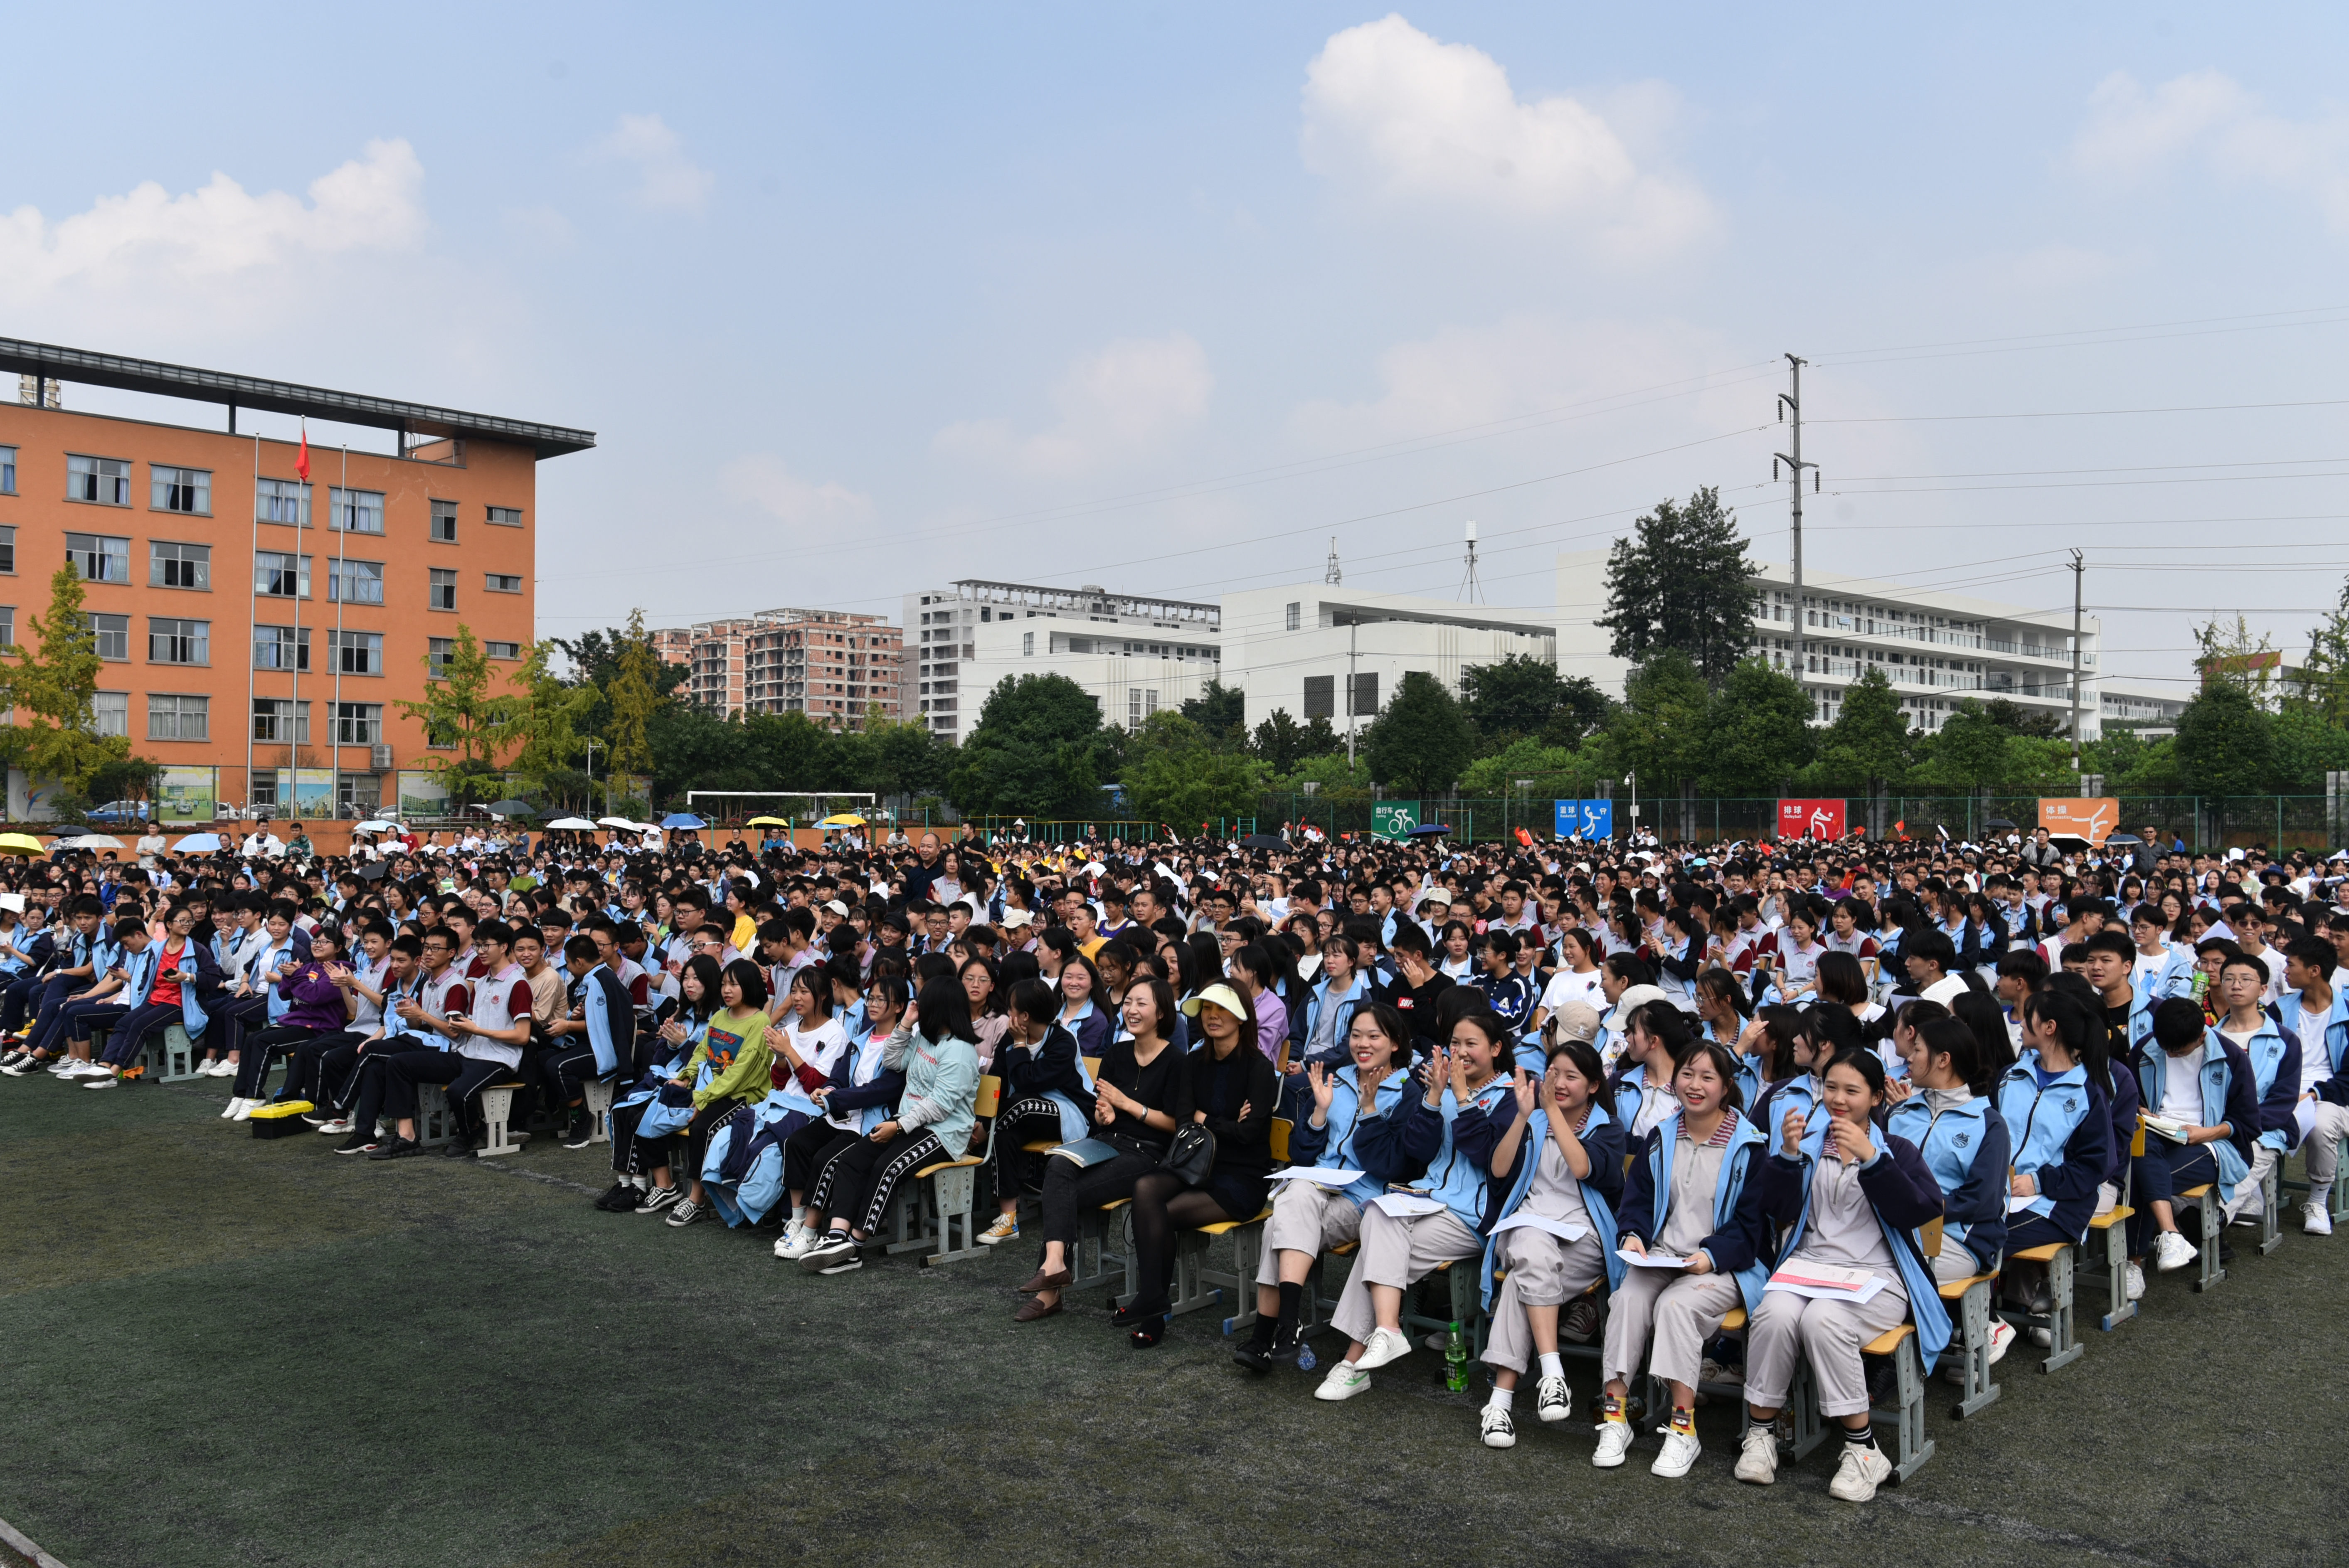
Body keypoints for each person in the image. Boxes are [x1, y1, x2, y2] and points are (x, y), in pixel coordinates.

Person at [1737, 1049, 1950, 1504]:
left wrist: (1873, 1159)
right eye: (1830, 1086)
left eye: (1851, 1090)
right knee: (1772, 1312)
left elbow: (1921, 1211)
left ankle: (1862, 1448)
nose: (1837, 1098)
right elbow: (1774, 1212)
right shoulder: (1809, 1142)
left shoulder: (1897, 1150)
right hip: (1808, 1269)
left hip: (1877, 1277)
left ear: (1875, 1096)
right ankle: (1760, 1433)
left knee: (1823, 1320)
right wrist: (1788, 1157)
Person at [1313, 1010, 1514, 1396]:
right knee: (1377, 1212)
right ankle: (1387, 1330)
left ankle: (1354, 1361)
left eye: (1471, 1044)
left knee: (1377, 1251)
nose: (1461, 1051)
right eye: (1455, 1043)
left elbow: (1488, 1159)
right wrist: (1434, 1098)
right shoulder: (1439, 1088)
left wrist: (1459, 1096)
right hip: (1426, 1199)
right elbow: (1417, 1150)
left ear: (1496, 1048)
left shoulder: (1509, 1098)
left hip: (1471, 1216)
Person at [1595, 1041, 1766, 1474]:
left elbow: (1751, 1228)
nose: (1695, 1085)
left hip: (1723, 1265)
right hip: (1662, 1256)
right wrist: (1632, 1235)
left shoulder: (1748, 1146)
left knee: (1676, 1306)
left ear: (1726, 1087)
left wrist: (1710, 1255)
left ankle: (1682, 1429)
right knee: (1628, 1299)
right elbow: (1636, 1201)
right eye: (1687, 1074)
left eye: (1708, 1077)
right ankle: (1614, 1416)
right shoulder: (1662, 1135)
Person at [1232, 1003, 1413, 1369]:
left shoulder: (1407, 1091)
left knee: (1277, 1224)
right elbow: (1300, 1152)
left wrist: (1371, 1109)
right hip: (1315, 1189)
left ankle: (1269, 1332)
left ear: (1394, 1043)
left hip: (1362, 1198)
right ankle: (1284, 1329)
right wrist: (1318, 1113)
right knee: (1295, 1195)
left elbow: (1391, 1164)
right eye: (1356, 1035)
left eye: (1373, 1036)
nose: (1362, 1044)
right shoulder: (1334, 1079)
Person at [1474, 1035, 1624, 1448]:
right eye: (1553, 1072)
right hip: (1529, 1225)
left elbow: (1582, 1167)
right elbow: (1500, 1170)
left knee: (1519, 1287)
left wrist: (1552, 1113)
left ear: (1593, 1085)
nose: (1558, 1082)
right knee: (1529, 1241)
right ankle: (1552, 1371)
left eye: (1571, 1076)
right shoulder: (1534, 1119)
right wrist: (1524, 1116)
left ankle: (1499, 1404)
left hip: (1583, 1237)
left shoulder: (1607, 1128)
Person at [1015, 975, 1190, 1322]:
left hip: (1148, 1153)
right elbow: (1105, 1110)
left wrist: (1126, 1104)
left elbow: (1176, 1124)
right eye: (1128, 1002)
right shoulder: (1117, 1053)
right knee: (1059, 1165)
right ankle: (1054, 1265)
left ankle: (1050, 1291)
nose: (1131, 1009)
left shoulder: (1176, 1060)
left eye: (1141, 1003)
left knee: (1063, 1191)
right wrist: (1105, 1112)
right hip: (1107, 1142)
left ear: (1161, 1012)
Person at [1124, 983, 1279, 1347]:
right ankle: (1154, 1297)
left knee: (1162, 1213)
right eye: (1207, 1008)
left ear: (1241, 1016)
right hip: (1194, 1163)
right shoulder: (1193, 1061)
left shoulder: (1259, 1068)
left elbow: (1251, 1134)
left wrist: (1206, 1117)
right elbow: (1183, 1121)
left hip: (1241, 1176)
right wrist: (1224, 1122)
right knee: (1145, 1188)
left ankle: (1152, 1310)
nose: (1212, 1015)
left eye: (1221, 1009)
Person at [796, 976, 984, 1275]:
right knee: (852, 1159)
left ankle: (855, 1245)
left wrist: (898, 1128)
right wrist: (907, 1024)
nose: (917, 1006)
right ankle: (837, 1236)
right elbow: (893, 1060)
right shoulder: (926, 1037)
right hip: (909, 1122)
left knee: (887, 1166)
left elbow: (939, 1105)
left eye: (922, 1003)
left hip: (944, 1133)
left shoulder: (960, 1050)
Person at [1886, 1016, 2016, 1369]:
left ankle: (1888, 1368)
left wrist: (1917, 1206)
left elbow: (1982, 1200)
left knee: (1888, 1276)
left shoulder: (1988, 1123)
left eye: (1917, 1050)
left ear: (1943, 1059)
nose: (1908, 1057)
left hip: (1960, 1239)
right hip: (1898, 1230)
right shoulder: (1899, 1113)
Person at [1996, 989, 2115, 1302]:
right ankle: (1989, 1316)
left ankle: (1986, 1322)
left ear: (2049, 1027)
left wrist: (2036, 1181)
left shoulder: (2088, 1091)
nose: (2019, 1019)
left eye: (2028, 1015)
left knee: (1982, 1237)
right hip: (2004, 1194)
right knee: (1954, 1230)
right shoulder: (2011, 1075)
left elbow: (2094, 1166)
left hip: (2059, 1205)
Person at [2130, 995, 2259, 1274]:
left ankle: (2133, 1265)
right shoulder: (2146, 1048)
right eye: (2167, 1049)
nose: (2171, 1054)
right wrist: (2140, 1108)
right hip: (2157, 1131)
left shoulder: (2230, 1056)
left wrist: (2206, 1133)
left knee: (2137, 1180)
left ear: (2202, 1036)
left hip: (2212, 1143)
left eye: (2178, 1051)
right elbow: (2129, 1099)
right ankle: (2171, 1234)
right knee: (2142, 1156)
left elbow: (2247, 1123)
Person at [977, 977, 1095, 1248]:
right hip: (1024, 1113)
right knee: (1004, 1135)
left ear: (1025, 1016)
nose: (1009, 1014)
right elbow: (1000, 1079)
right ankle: (1008, 1218)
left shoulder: (1063, 1041)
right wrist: (986, 1120)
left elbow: (1030, 1081)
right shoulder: (1010, 1035)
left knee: (1021, 1103)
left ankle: (987, 1132)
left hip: (1069, 1111)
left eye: (1012, 1008)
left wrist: (1020, 1046)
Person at [657, 959, 775, 1226]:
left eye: (734, 984)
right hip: (709, 1089)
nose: (727, 990)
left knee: (702, 1128)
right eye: (724, 984)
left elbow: (739, 1073)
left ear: (749, 986)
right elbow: (702, 1052)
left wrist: (703, 1098)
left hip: (742, 1096)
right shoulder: (721, 1015)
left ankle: (697, 1199)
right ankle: (656, 1184)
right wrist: (686, 1078)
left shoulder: (759, 1021)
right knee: (659, 1101)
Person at [2277, 937, 2349, 1233]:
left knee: (2319, 1124)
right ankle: (2253, 1196)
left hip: (2334, 1098)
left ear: (2314, 970)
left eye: (2290, 964)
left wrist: (2313, 1093)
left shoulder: (2346, 1013)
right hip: (2284, 1092)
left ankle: (2318, 1201)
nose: (2284, 971)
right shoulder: (2278, 1010)